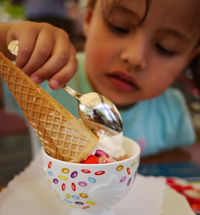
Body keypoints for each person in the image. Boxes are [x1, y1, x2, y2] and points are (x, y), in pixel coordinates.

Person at [2, 0, 200, 157]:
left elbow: (180, 168)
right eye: (120, 27)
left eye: (166, 47)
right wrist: (7, 36)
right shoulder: (43, 75)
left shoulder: (173, 112)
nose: (134, 57)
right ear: (88, 18)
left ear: (187, 59)